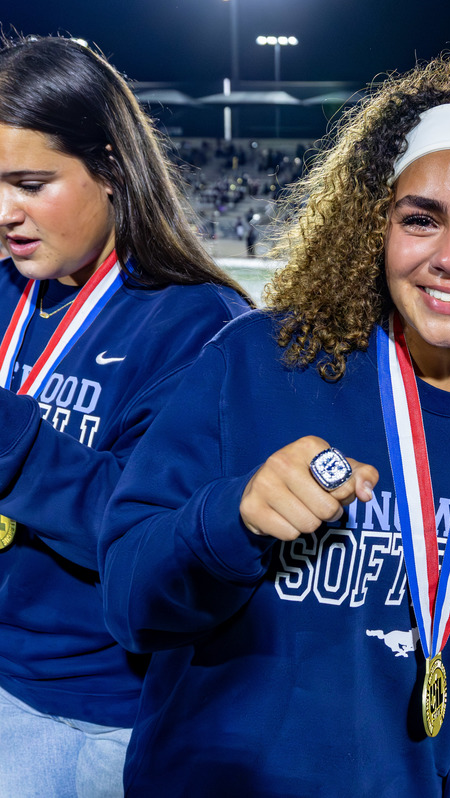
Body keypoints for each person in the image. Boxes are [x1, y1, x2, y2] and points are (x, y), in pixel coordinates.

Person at [99, 54, 450, 796]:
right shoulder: (260, 362)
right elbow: (128, 603)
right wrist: (233, 520)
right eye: (420, 220)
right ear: (374, 227)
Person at [0, 35, 251, 795]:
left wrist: (12, 439)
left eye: (30, 183)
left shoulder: (200, 323)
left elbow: (152, 533)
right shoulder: (9, 289)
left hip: (87, 715)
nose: (5, 213)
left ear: (110, 168)